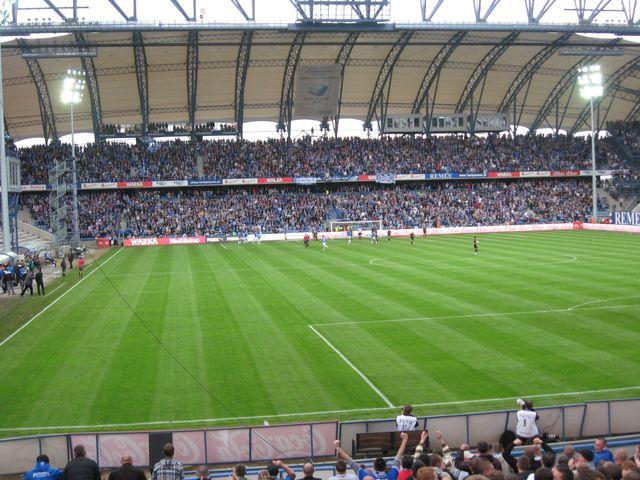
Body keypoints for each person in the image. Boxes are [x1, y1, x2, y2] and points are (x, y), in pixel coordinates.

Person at [334, 432, 409, 480]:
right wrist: (404, 440)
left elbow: (350, 461)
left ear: (374, 467)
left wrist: (337, 447)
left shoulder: (367, 476)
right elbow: (398, 456)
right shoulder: (392, 475)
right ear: (385, 467)